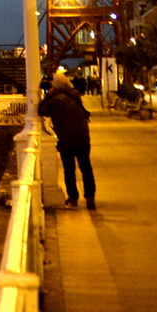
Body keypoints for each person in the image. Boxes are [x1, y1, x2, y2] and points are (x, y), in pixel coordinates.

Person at [39, 71, 95, 209]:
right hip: (82, 136)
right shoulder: (75, 94)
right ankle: (90, 197)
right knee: (86, 167)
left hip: (66, 139)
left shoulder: (55, 101)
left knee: (69, 170)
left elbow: (41, 110)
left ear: (55, 86)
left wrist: (48, 94)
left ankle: (73, 198)